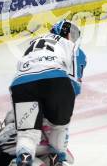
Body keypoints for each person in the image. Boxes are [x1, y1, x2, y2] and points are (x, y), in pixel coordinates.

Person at [9, 19, 86, 166]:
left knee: (27, 133)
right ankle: (58, 159)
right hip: (55, 79)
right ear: (69, 35)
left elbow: (26, 69)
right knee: (59, 127)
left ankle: (24, 161)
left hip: (21, 83)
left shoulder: (33, 43)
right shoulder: (72, 46)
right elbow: (74, 83)